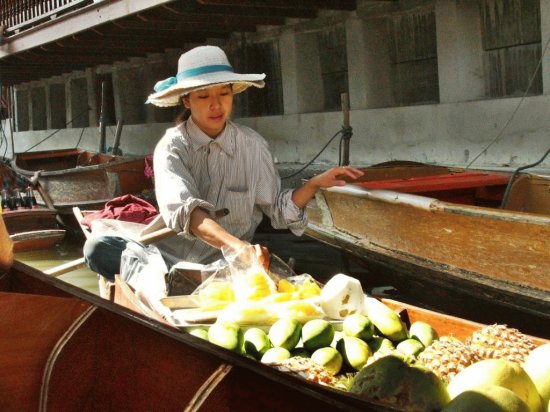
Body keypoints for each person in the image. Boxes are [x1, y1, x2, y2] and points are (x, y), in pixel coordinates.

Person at [84, 45, 363, 287]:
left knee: (331, 260)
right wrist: (237, 247)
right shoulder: (172, 147)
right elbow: (189, 214)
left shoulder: (252, 146)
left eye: (224, 94)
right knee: (98, 248)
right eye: (203, 96)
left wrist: (313, 184)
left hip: (230, 265)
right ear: (186, 100)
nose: (216, 105)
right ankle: (177, 281)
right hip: (167, 259)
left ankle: (200, 282)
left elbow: (277, 210)